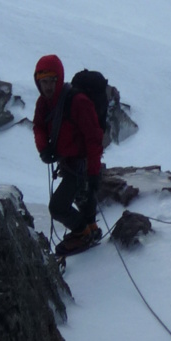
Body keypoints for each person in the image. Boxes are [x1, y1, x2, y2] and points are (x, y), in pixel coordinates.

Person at [33, 54, 103, 252]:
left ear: (59, 79)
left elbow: (93, 138)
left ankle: (83, 232)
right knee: (82, 199)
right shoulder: (43, 103)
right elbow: (39, 126)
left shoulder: (78, 102)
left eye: (51, 81)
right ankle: (89, 228)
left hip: (81, 164)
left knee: (57, 207)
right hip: (69, 163)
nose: (47, 87)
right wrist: (43, 148)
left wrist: (94, 171)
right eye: (43, 82)